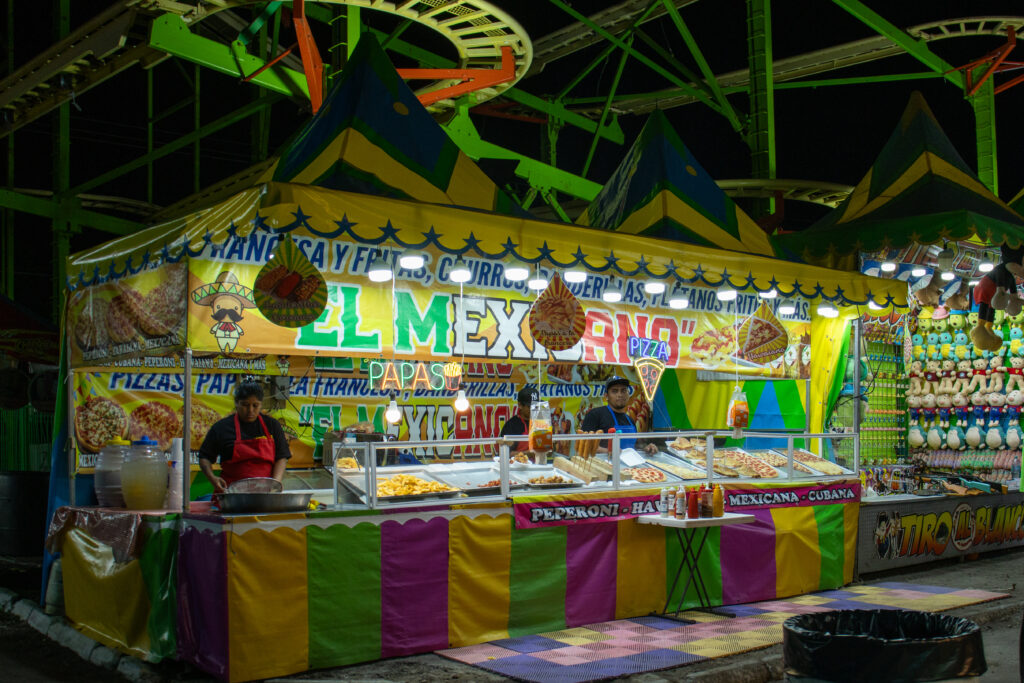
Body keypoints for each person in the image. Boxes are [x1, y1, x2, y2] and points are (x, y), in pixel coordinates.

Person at [198, 377, 292, 492]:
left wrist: (275, 483)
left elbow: (281, 457)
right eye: (245, 405)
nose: (250, 410)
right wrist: (212, 478)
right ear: (236, 403)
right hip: (230, 493)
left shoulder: (272, 425)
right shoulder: (221, 427)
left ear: (261, 404)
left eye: (255, 405)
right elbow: (204, 457)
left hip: (265, 494)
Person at [580, 376, 660, 454]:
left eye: (623, 391)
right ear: (606, 396)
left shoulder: (630, 420)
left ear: (628, 395)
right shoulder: (595, 415)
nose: (620, 395)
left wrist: (646, 448)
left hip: (629, 466)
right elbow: (584, 445)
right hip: (604, 465)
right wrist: (608, 451)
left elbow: (633, 447)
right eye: (614, 391)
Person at [499, 386, 537, 451]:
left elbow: (549, 450)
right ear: (520, 405)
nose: (533, 409)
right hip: (518, 461)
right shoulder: (511, 425)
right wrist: (529, 454)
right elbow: (506, 453)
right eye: (529, 406)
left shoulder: (541, 422)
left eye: (536, 406)